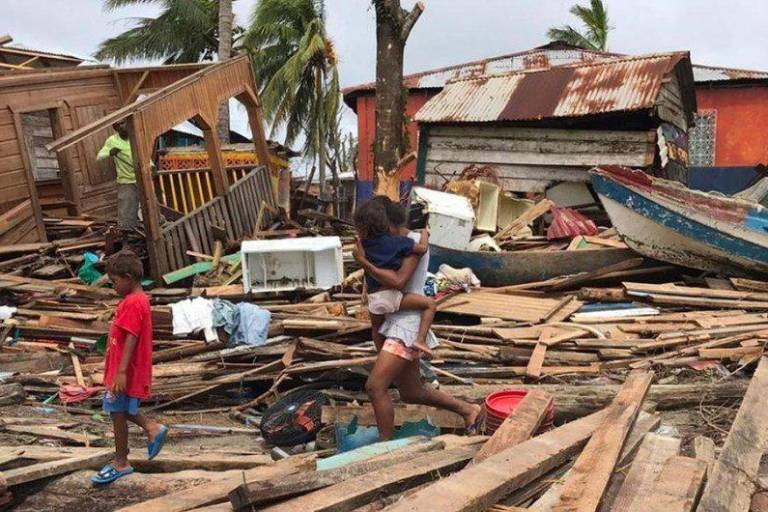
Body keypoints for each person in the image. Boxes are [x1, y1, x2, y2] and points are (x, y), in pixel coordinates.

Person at [354, 197, 483, 440]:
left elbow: (398, 281)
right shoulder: (385, 244)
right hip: (393, 322)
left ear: (385, 224)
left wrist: (363, 262)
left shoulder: (412, 243)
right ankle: (469, 410)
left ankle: (384, 447)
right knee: (411, 392)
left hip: (407, 325)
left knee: (375, 386)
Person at [92, 251, 168, 486]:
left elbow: (132, 337)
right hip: (122, 368)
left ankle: (121, 461)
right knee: (119, 410)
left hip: (125, 370)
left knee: (117, 412)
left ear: (128, 277)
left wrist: (122, 371)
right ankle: (151, 429)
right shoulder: (136, 300)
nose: (113, 286)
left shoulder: (134, 302)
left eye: (114, 281)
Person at [354, 199, 435, 356]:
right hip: (400, 319)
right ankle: (421, 340)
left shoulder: (366, 244)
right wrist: (425, 234)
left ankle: (380, 354)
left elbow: (397, 281)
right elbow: (398, 281)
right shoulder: (403, 242)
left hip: (384, 309)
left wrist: (362, 260)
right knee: (430, 304)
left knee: (376, 328)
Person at [97, 121, 139, 230]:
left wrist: (151, 166)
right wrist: (110, 152)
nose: (121, 126)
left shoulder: (136, 137)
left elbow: (144, 154)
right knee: (125, 211)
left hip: (142, 178)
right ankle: (126, 237)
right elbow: (99, 156)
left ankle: (159, 227)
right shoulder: (112, 140)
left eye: (123, 123)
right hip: (126, 181)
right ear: (115, 128)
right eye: (117, 125)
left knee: (152, 206)